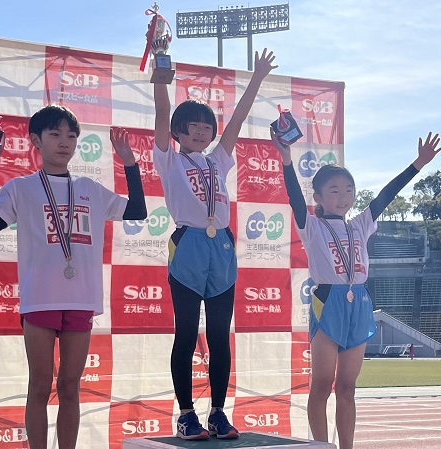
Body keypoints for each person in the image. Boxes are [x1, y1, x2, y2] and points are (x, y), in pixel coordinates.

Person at [0, 104, 146, 449]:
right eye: (54, 134)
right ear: (35, 140)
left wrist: (130, 165)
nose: (64, 142)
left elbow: (137, 210)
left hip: (81, 298)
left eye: (71, 135)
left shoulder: (90, 188)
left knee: (70, 386)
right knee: (39, 385)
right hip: (40, 297)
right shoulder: (21, 188)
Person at [269, 130, 441, 449]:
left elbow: (385, 197)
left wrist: (417, 165)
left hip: (359, 302)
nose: (343, 195)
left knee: (347, 387)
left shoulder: (360, 224)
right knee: (321, 385)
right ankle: (320, 445)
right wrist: (286, 160)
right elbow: (294, 196)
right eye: (334, 190)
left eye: (348, 189)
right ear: (318, 197)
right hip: (327, 301)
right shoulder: (313, 226)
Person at [153, 49, 277, 440]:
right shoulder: (170, 161)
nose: (200, 133)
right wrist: (160, 71)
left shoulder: (218, 160)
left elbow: (237, 120)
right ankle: (186, 413)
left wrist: (256, 78)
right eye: (191, 127)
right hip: (188, 243)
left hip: (221, 247)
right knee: (187, 332)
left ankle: (219, 413)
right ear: (177, 133)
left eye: (206, 127)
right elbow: (160, 113)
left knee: (220, 335)